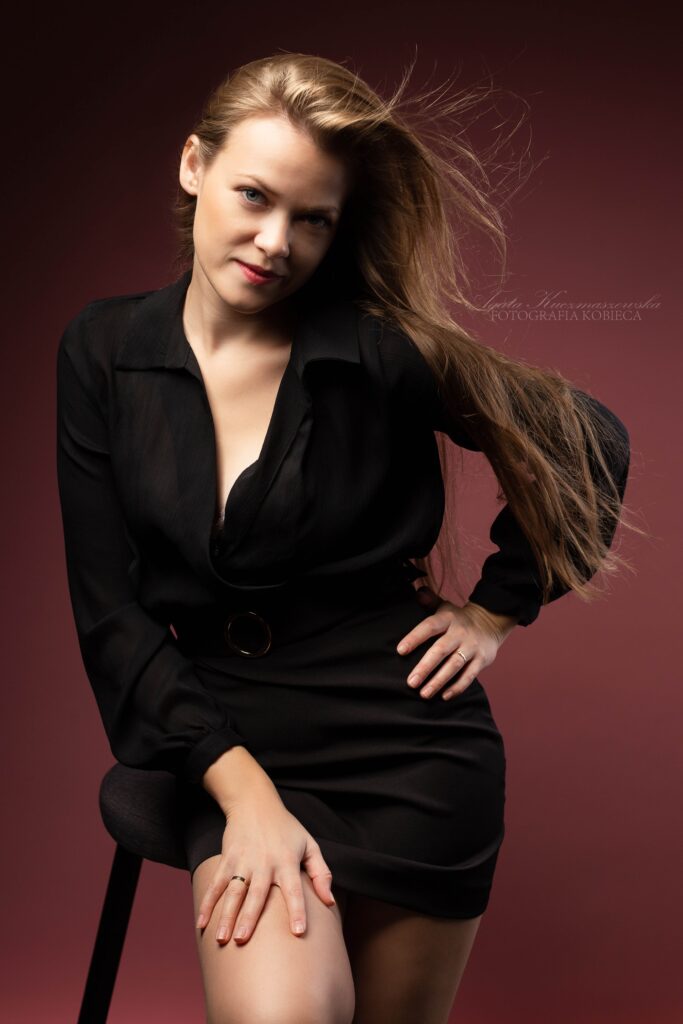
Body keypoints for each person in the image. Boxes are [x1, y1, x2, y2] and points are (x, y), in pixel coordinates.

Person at [56, 54, 633, 1024]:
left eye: (312, 219)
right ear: (194, 165)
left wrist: (494, 612)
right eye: (253, 195)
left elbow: (587, 440)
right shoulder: (103, 352)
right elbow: (112, 620)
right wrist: (246, 798)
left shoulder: (376, 348)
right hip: (226, 743)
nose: (274, 241)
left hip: (409, 754)